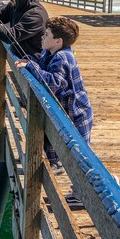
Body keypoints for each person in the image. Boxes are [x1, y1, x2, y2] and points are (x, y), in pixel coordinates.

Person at [15, 16, 93, 209]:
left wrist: (30, 67)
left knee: (79, 156)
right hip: (71, 112)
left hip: (77, 114)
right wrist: (31, 61)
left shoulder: (62, 57)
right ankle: (77, 189)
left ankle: (85, 193)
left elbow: (53, 82)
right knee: (75, 155)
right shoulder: (52, 53)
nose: (42, 37)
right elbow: (43, 67)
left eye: (46, 34)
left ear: (58, 41)